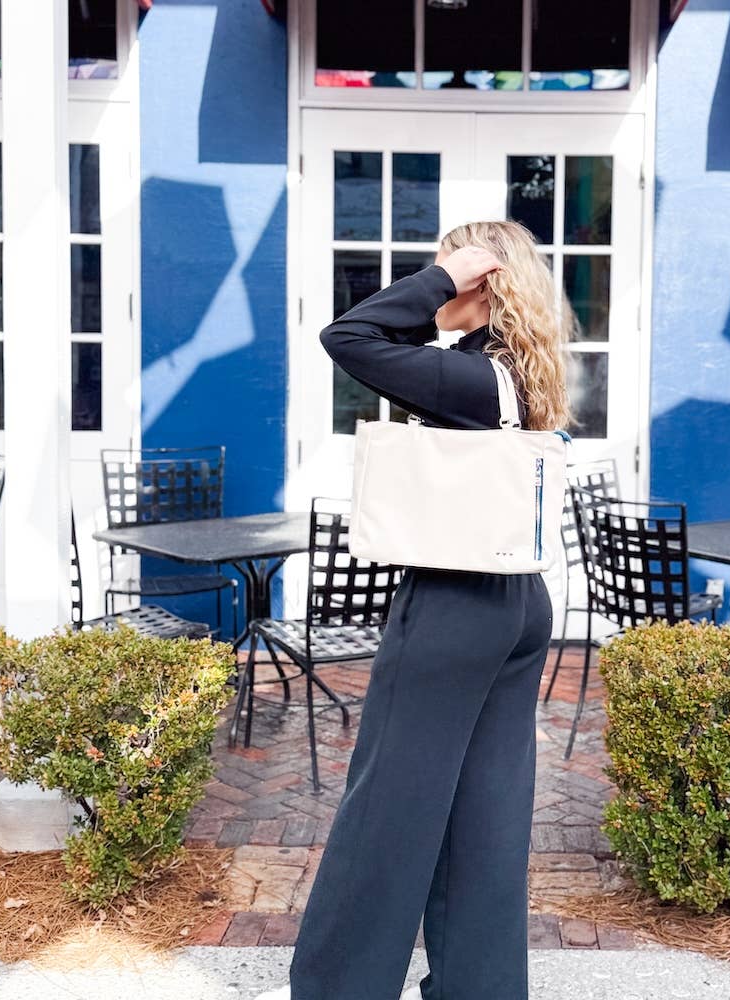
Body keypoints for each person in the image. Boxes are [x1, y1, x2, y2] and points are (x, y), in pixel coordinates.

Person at [255, 220, 574, 1000]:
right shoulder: (515, 373)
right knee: (485, 815)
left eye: (446, 268)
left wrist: (440, 281)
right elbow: (384, 343)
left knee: (387, 807)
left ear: (480, 281)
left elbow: (349, 337)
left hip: (454, 603)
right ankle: (479, 989)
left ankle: (337, 990)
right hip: (519, 604)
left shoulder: (465, 381)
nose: (433, 283)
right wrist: (445, 290)